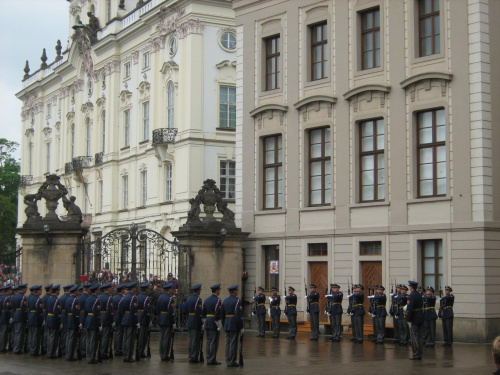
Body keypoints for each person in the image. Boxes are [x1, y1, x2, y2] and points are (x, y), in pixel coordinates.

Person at [221, 284, 243, 367]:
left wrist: (223, 324)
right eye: (236, 290)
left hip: (227, 322)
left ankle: (228, 359)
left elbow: (222, 314)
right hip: (234, 323)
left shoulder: (225, 301)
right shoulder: (237, 301)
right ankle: (232, 361)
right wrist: (241, 326)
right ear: (235, 291)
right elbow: (238, 315)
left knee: (227, 343)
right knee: (233, 343)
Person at [203, 283, 222, 365]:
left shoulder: (206, 300)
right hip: (214, 322)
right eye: (219, 289)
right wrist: (219, 324)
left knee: (208, 341)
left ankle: (208, 357)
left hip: (207, 321)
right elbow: (217, 313)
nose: (220, 291)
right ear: (217, 290)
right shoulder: (218, 300)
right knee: (214, 342)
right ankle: (212, 359)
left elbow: (203, 313)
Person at [119, 281, 138, 362]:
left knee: (125, 337)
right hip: (131, 319)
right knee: (130, 339)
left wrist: (124, 316)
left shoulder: (124, 297)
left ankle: (125, 354)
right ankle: (128, 356)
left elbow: (121, 308)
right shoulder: (133, 298)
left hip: (125, 318)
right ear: (133, 288)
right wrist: (136, 321)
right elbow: (133, 310)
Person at [406, 280, 424, 360]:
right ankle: (420, 353)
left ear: (411, 287)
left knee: (414, 336)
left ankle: (416, 354)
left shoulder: (412, 296)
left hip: (414, 317)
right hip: (420, 316)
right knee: (420, 336)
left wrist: (408, 318)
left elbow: (410, 308)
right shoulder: (419, 294)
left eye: (410, 286)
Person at [157, 282, 175, 361]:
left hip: (161, 317)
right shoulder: (170, 298)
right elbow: (171, 311)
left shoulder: (160, 297)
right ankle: (165, 354)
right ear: (169, 289)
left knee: (162, 337)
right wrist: (173, 321)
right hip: (167, 318)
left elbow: (157, 309)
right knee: (166, 338)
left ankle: (162, 353)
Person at [186, 283, 203, 363]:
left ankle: (191, 354)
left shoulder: (189, 299)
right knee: (195, 340)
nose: (200, 291)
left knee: (191, 339)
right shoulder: (198, 300)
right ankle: (194, 356)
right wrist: (201, 323)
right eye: (199, 290)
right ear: (197, 291)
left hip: (190, 319)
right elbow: (198, 312)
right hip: (195, 321)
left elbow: (186, 310)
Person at [85, 284, 101, 364]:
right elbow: (96, 313)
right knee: (93, 340)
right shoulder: (97, 300)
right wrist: (99, 323)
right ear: (96, 291)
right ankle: (92, 357)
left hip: (88, 319)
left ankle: (88, 356)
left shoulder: (88, 298)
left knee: (88, 340)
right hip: (93, 321)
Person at [11, 283, 28, 354]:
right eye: (26, 288)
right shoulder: (23, 297)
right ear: (23, 289)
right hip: (21, 316)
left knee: (16, 333)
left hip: (16, 314)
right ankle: (17, 348)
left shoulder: (14, 297)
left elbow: (13, 307)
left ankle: (16, 347)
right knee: (20, 333)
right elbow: (24, 308)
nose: (26, 290)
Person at [97, 282, 113, 359]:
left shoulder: (99, 296)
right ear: (108, 289)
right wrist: (112, 320)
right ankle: (103, 352)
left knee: (99, 336)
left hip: (99, 317)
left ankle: (99, 351)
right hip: (106, 318)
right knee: (105, 336)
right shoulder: (109, 298)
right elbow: (110, 310)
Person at [45, 284, 61, 359]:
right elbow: (56, 311)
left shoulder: (49, 298)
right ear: (56, 291)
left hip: (49, 318)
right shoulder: (56, 299)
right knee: (53, 337)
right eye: (58, 290)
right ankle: (51, 352)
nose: (59, 292)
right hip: (54, 319)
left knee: (49, 336)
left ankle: (49, 352)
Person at [65, 285, 80, 361]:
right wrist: (78, 321)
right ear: (75, 291)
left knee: (69, 338)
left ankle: (68, 354)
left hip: (69, 319)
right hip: (73, 320)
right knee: (72, 339)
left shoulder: (68, 299)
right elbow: (75, 312)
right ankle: (70, 355)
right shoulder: (75, 300)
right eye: (77, 290)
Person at [27, 285, 43, 356]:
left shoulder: (29, 298)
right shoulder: (38, 299)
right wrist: (41, 319)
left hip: (30, 316)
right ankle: (34, 350)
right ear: (37, 291)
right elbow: (39, 311)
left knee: (31, 335)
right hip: (35, 318)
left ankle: (31, 349)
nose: (41, 291)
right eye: (40, 290)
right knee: (35, 336)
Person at [136, 281, 151, 358]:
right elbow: (147, 310)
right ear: (146, 289)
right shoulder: (146, 298)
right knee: (143, 336)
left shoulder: (137, 297)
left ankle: (139, 350)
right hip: (144, 318)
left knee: (139, 336)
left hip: (138, 316)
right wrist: (149, 320)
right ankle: (141, 351)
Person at [59, 284, 73, 357]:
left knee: (63, 333)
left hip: (62, 314)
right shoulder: (68, 298)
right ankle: (64, 348)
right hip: (66, 316)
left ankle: (62, 348)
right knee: (65, 333)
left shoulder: (62, 297)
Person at [79, 283, 92, 357]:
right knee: (85, 335)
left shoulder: (80, 297)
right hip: (85, 317)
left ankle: (82, 349)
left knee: (82, 335)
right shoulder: (87, 298)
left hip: (80, 316)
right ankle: (83, 350)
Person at [112, 284, 126, 356]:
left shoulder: (114, 297)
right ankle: (118, 349)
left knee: (117, 332)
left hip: (115, 314)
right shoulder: (122, 298)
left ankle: (116, 348)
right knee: (120, 333)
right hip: (120, 315)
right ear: (122, 290)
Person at [41, 283, 53, 355]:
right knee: (47, 333)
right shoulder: (49, 298)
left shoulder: (44, 297)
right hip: (48, 315)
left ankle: (44, 347)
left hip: (45, 315)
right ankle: (45, 347)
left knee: (46, 333)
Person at [0, 285, 12, 352]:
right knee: (4, 334)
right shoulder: (6, 298)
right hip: (4, 318)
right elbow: (6, 309)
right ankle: (2, 347)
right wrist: (9, 317)